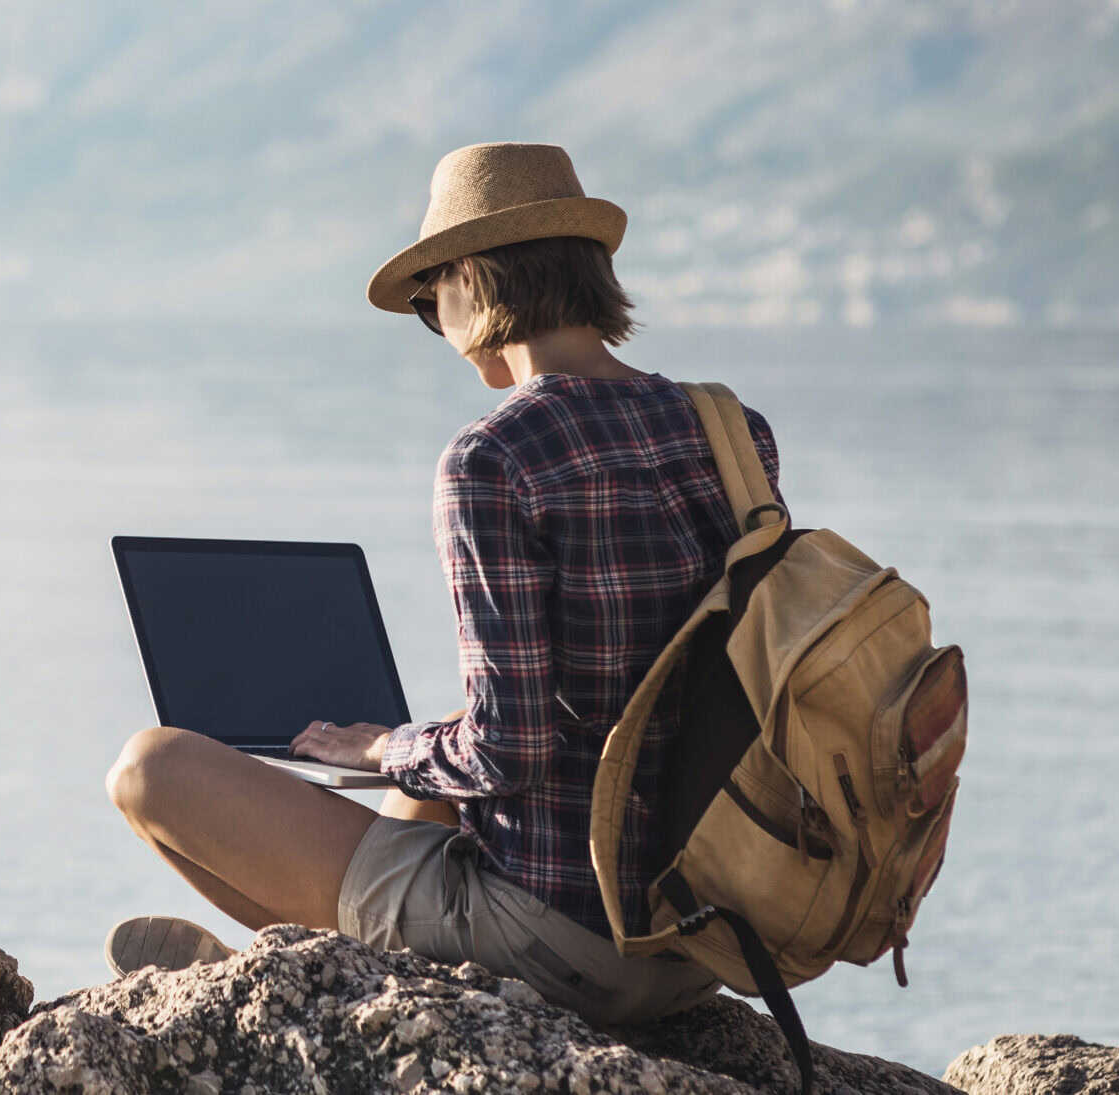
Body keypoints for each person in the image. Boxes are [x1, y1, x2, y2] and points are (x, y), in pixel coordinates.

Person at [102, 141, 783, 1028]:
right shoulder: (732, 430)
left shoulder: (494, 457)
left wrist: (379, 746)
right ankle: (298, 967)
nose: (439, 325)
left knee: (150, 769)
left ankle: (304, 985)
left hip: (568, 943)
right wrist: (412, 749)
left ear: (471, 280)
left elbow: (510, 748)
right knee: (429, 773)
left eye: (431, 302)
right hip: (704, 939)